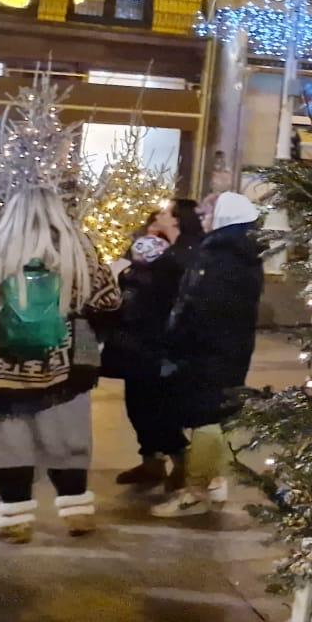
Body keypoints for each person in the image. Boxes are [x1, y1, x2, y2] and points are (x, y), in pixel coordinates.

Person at [0, 158, 119, 542]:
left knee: (7, 443)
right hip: (65, 365)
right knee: (67, 438)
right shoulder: (80, 250)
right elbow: (108, 302)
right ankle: (76, 512)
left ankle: (16, 519)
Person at [151, 191, 265, 518]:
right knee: (214, 414)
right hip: (226, 348)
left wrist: (178, 337)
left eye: (207, 213)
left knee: (206, 417)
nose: (202, 218)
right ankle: (213, 483)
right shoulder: (237, 253)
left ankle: (197, 491)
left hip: (210, 350)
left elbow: (202, 307)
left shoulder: (221, 257)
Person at [104, 199, 204, 486]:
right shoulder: (145, 248)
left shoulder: (182, 254)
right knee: (137, 403)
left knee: (158, 405)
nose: (155, 219)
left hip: (159, 342)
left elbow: (172, 296)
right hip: (134, 340)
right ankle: (151, 461)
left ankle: (181, 461)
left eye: (163, 214)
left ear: (177, 220)